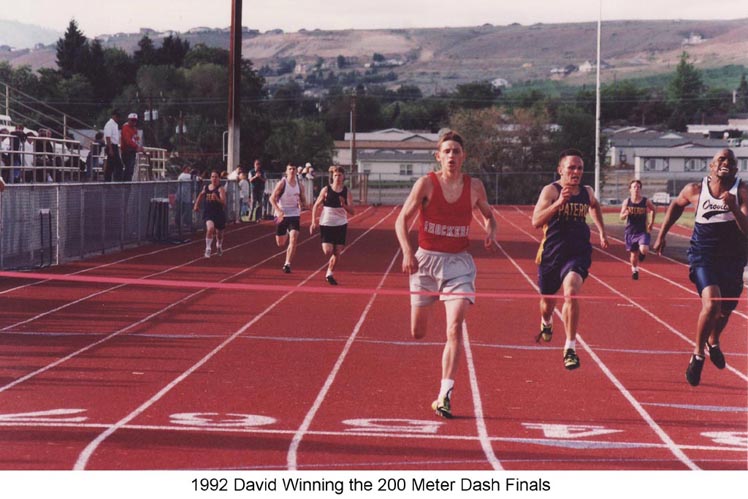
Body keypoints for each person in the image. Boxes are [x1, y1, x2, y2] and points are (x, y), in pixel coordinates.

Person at [395, 130, 497, 419]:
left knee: (454, 328)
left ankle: (444, 395)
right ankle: (443, 390)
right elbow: (401, 221)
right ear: (438, 156)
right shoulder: (426, 184)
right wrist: (406, 252)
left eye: (457, 151)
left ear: (464, 157)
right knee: (418, 332)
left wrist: (490, 232)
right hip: (425, 263)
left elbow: (490, 216)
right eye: (447, 151)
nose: (452, 156)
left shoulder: (474, 187)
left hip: (459, 266)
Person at [653, 148, 747, 387]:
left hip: (733, 258)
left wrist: (734, 207)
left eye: (730, 161)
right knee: (712, 302)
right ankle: (697, 355)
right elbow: (675, 205)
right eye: (720, 159)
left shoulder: (742, 193)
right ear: (711, 166)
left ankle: (713, 341)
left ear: (736, 169)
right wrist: (662, 234)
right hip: (703, 255)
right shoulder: (695, 190)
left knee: (725, 310)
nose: (725, 163)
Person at [531, 148, 609, 370]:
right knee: (547, 304)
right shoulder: (551, 191)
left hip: (578, 253)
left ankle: (570, 347)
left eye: (580, 168)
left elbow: (595, 206)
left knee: (572, 292)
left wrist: (602, 231)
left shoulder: (587, 191)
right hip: (551, 255)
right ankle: (546, 322)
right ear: (560, 170)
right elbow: (535, 221)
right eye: (571, 167)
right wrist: (558, 204)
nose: (576, 171)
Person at [310, 165, 355, 285]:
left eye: (340, 175)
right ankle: (329, 270)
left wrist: (343, 204)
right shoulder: (326, 190)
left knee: (337, 252)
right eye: (335, 175)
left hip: (341, 224)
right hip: (327, 223)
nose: (338, 177)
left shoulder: (347, 192)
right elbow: (316, 206)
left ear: (343, 177)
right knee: (327, 250)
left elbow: (352, 211)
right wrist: (313, 221)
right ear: (332, 176)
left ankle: (329, 273)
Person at [270, 163, 307, 273]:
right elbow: (272, 199)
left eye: (294, 169)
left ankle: (287, 264)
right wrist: (278, 210)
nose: (292, 170)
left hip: (294, 214)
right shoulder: (282, 183)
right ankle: (285, 231)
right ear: (286, 171)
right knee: (280, 243)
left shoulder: (300, 186)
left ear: (296, 171)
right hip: (281, 214)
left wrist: (302, 204)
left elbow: (304, 200)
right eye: (290, 169)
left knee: (294, 237)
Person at [619, 179, 656, 280]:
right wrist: (625, 214)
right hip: (630, 232)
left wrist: (651, 223)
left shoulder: (645, 201)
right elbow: (621, 216)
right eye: (634, 187)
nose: (636, 189)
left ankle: (643, 254)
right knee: (633, 255)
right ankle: (635, 269)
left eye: (638, 187)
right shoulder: (627, 202)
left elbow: (653, 209)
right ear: (630, 189)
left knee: (644, 249)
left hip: (642, 231)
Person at [193, 170, 227, 258]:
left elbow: (224, 203)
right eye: (212, 177)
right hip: (209, 213)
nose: (214, 179)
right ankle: (208, 248)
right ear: (210, 178)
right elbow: (200, 195)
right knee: (210, 228)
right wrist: (196, 205)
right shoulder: (206, 188)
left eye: (216, 177)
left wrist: (217, 199)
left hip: (219, 213)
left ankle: (219, 245)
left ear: (219, 178)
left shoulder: (220, 189)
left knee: (219, 234)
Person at [120, 113, 143, 181]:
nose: (134, 122)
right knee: (129, 168)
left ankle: (127, 184)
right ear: (129, 120)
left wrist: (139, 146)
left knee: (130, 169)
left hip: (132, 151)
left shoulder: (134, 129)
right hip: (127, 151)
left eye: (135, 120)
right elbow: (128, 141)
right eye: (132, 120)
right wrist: (136, 147)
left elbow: (136, 139)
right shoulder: (125, 128)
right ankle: (126, 185)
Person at [103, 109, 123, 182]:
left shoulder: (115, 124)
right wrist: (110, 149)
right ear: (114, 116)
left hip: (114, 146)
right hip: (111, 146)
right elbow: (108, 137)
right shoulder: (109, 124)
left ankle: (107, 181)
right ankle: (117, 181)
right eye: (117, 116)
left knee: (110, 166)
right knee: (118, 165)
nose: (118, 118)